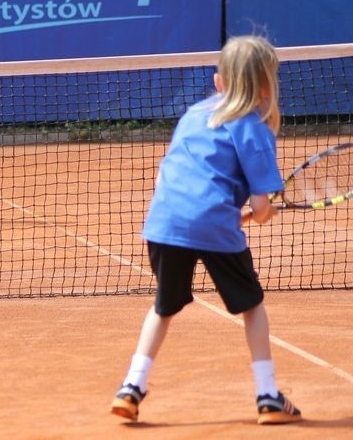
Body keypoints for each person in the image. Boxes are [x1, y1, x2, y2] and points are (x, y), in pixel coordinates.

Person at [109, 35, 302, 425]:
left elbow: (189, 173)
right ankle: (267, 394)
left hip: (164, 220)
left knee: (163, 307)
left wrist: (225, 212)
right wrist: (259, 213)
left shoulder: (194, 114)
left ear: (219, 81)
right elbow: (261, 208)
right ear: (267, 85)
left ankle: (131, 386)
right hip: (211, 224)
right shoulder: (256, 128)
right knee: (251, 307)